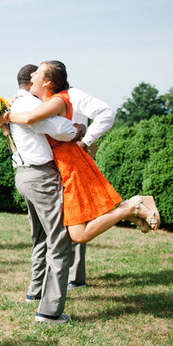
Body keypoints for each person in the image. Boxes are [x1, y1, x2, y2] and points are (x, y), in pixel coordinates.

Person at [0, 61, 160, 245]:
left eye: (37, 73)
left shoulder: (58, 100)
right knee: (83, 226)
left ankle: (132, 207)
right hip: (63, 166)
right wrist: (12, 101)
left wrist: (4, 116)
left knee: (79, 234)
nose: (32, 76)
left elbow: (30, 118)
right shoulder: (45, 101)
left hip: (70, 166)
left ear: (47, 83)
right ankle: (131, 211)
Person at [0, 64, 80, 323]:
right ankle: (49, 310)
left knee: (41, 237)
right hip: (40, 176)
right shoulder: (27, 107)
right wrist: (77, 129)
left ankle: (34, 292)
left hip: (23, 176)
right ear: (33, 82)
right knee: (60, 238)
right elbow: (64, 131)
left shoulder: (11, 105)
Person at [66, 79, 116, 290]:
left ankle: (75, 276)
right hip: (60, 164)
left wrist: (86, 141)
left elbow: (106, 112)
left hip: (76, 163)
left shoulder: (74, 95)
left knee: (79, 215)